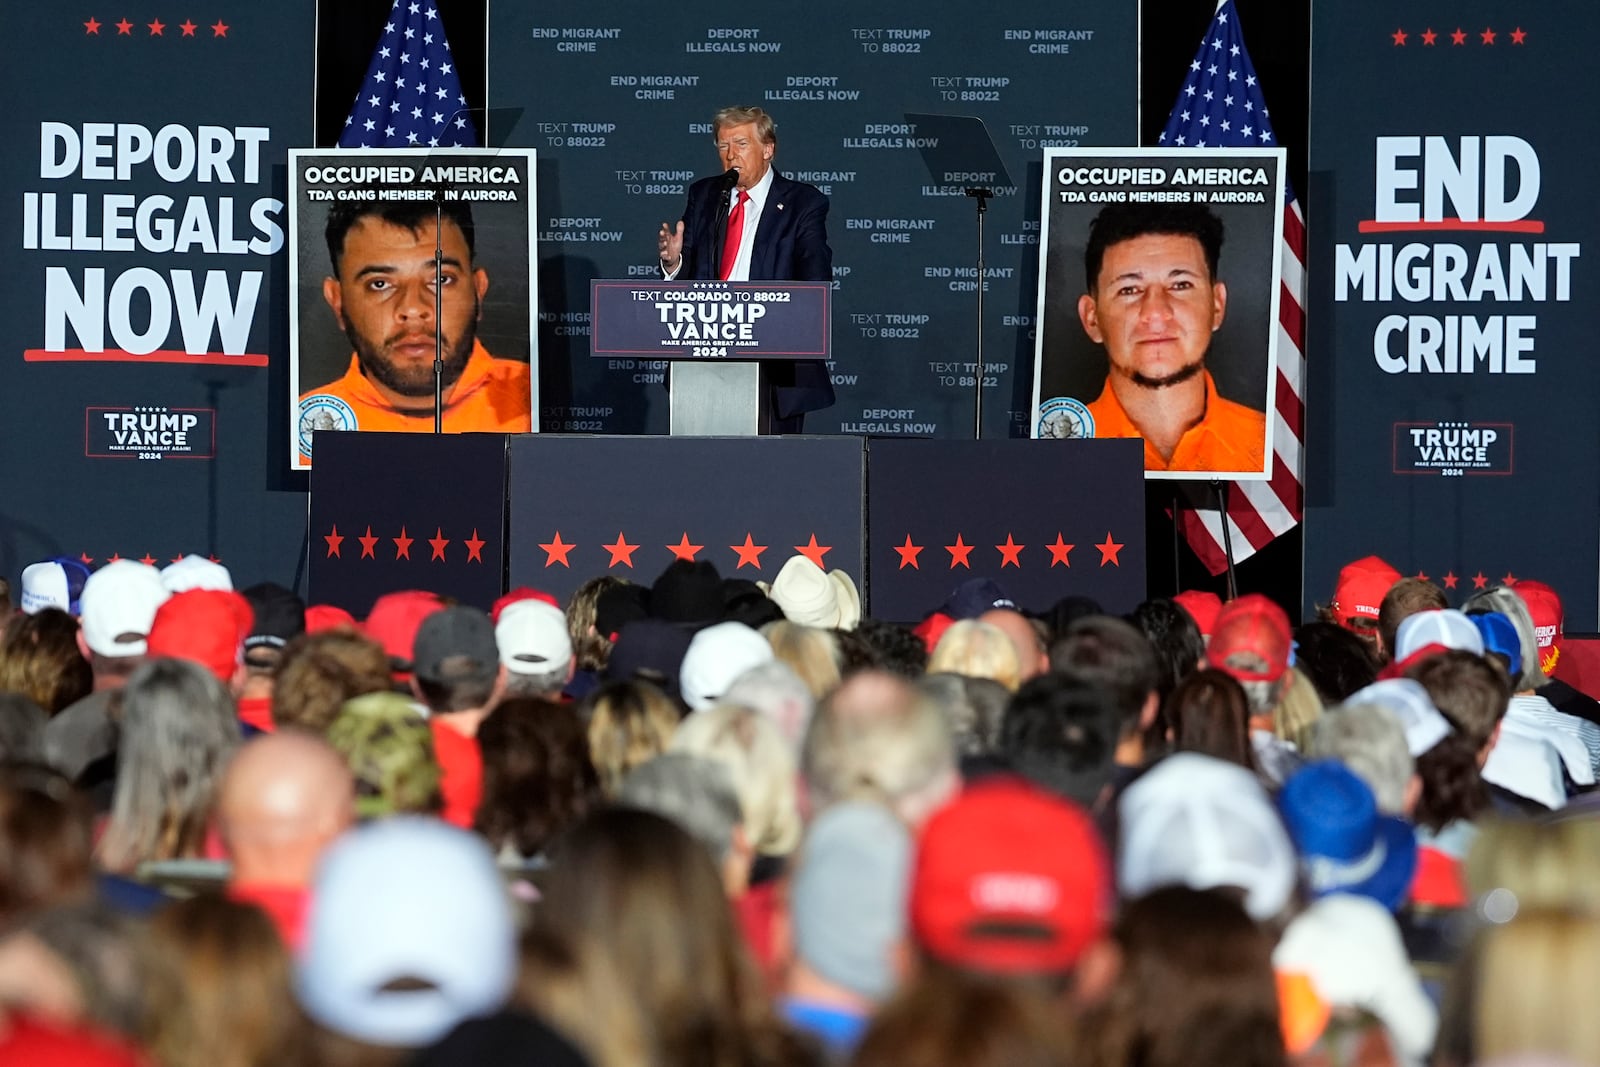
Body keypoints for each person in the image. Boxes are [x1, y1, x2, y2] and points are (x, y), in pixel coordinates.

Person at [297, 198, 531, 461]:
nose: (413, 308)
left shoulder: (537, 402)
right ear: (337, 301)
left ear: (478, 291)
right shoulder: (304, 431)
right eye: (380, 284)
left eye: (441, 279)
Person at [656, 105, 834, 432]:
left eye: (741, 144)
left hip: (775, 363)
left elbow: (815, 278)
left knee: (771, 471)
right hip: (705, 351)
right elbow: (688, 273)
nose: (730, 155)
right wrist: (673, 262)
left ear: (768, 149)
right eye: (723, 146)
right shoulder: (706, 194)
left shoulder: (803, 203)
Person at [1075, 203, 1265, 474]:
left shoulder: (1273, 445)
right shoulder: (1051, 449)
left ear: (1217, 306)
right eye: (1129, 289)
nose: (1155, 313)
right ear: (1092, 318)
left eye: (1180, 285)